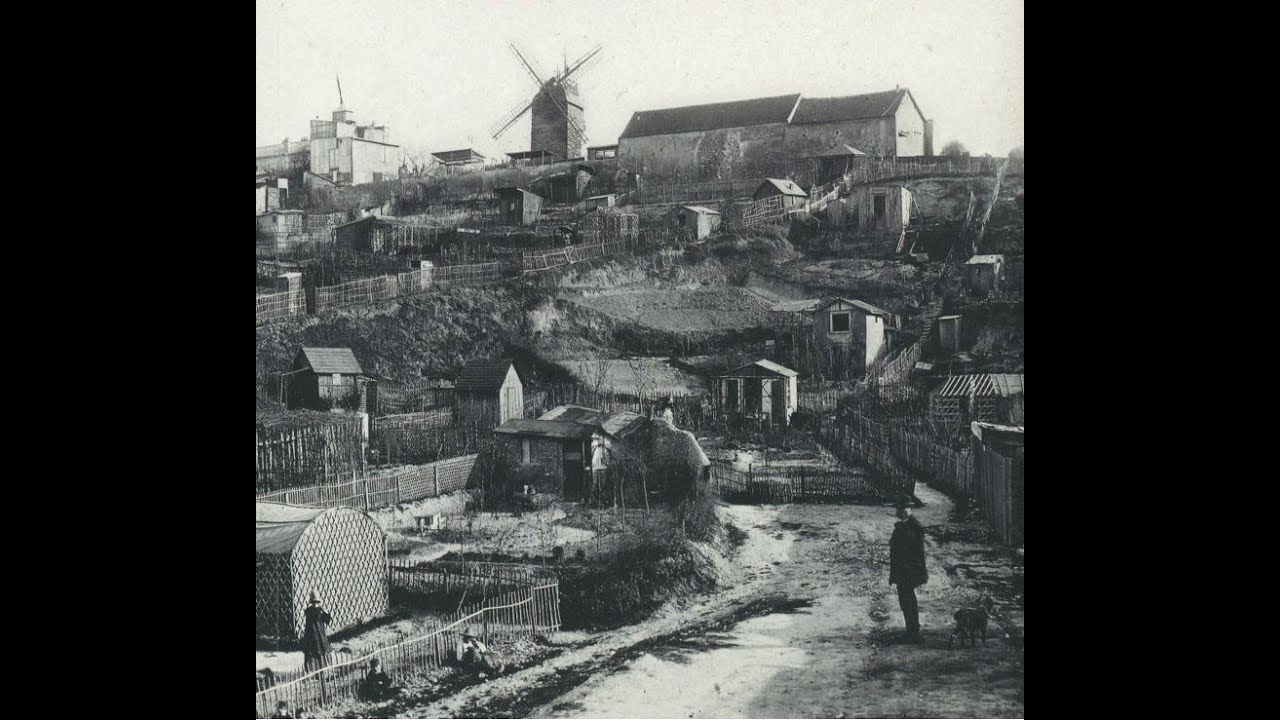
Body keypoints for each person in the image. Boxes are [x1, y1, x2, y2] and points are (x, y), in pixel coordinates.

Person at [889, 494, 927, 643]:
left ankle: (913, 633)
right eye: (900, 508)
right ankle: (911, 631)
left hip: (909, 570)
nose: (902, 511)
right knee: (905, 601)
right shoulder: (905, 525)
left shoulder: (913, 526)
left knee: (908, 601)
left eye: (905, 508)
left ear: (910, 509)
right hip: (903, 570)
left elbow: (909, 548)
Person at [302, 592, 332, 672]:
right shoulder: (311, 611)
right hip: (312, 634)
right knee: (313, 652)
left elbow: (327, 620)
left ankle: (321, 670)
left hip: (319, 634)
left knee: (321, 650)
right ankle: (312, 670)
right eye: (314, 602)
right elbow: (317, 616)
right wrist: (322, 612)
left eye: (317, 602)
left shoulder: (319, 610)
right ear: (312, 602)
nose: (315, 604)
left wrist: (326, 613)